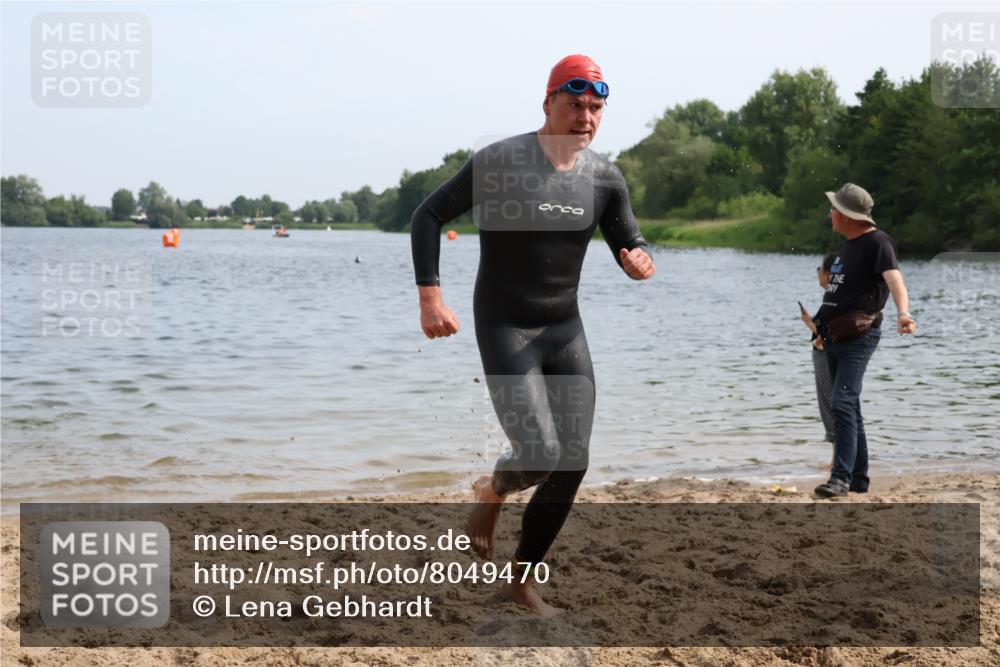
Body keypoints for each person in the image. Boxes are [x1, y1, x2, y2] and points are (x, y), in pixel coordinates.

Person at [410, 54, 656, 616]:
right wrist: (431, 297)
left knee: (573, 461)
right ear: (547, 102)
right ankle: (492, 490)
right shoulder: (501, 162)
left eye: (596, 107)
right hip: (505, 324)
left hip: (563, 328)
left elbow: (629, 240)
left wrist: (639, 259)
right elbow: (428, 215)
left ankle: (520, 581)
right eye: (574, 104)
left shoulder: (604, 178)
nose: (586, 116)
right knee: (541, 452)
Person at [812, 183, 916, 498]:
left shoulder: (878, 242)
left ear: (846, 214)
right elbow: (837, 291)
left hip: (858, 335)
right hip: (834, 335)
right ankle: (858, 479)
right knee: (850, 404)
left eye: (834, 209)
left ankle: (840, 478)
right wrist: (818, 325)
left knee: (842, 401)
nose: (830, 213)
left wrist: (903, 313)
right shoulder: (848, 246)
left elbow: (894, 278)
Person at [799, 253, 839, 455]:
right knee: (833, 403)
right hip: (826, 354)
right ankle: (838, 457)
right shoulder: (834, 298)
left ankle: (837, 458)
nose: (817, 273)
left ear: (828, 274)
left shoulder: (834, 299)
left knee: (830, 403)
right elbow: (822, 329)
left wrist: (816, 330)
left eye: (819, 269)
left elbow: (827, 332)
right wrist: (809, 322)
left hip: (826, 356)